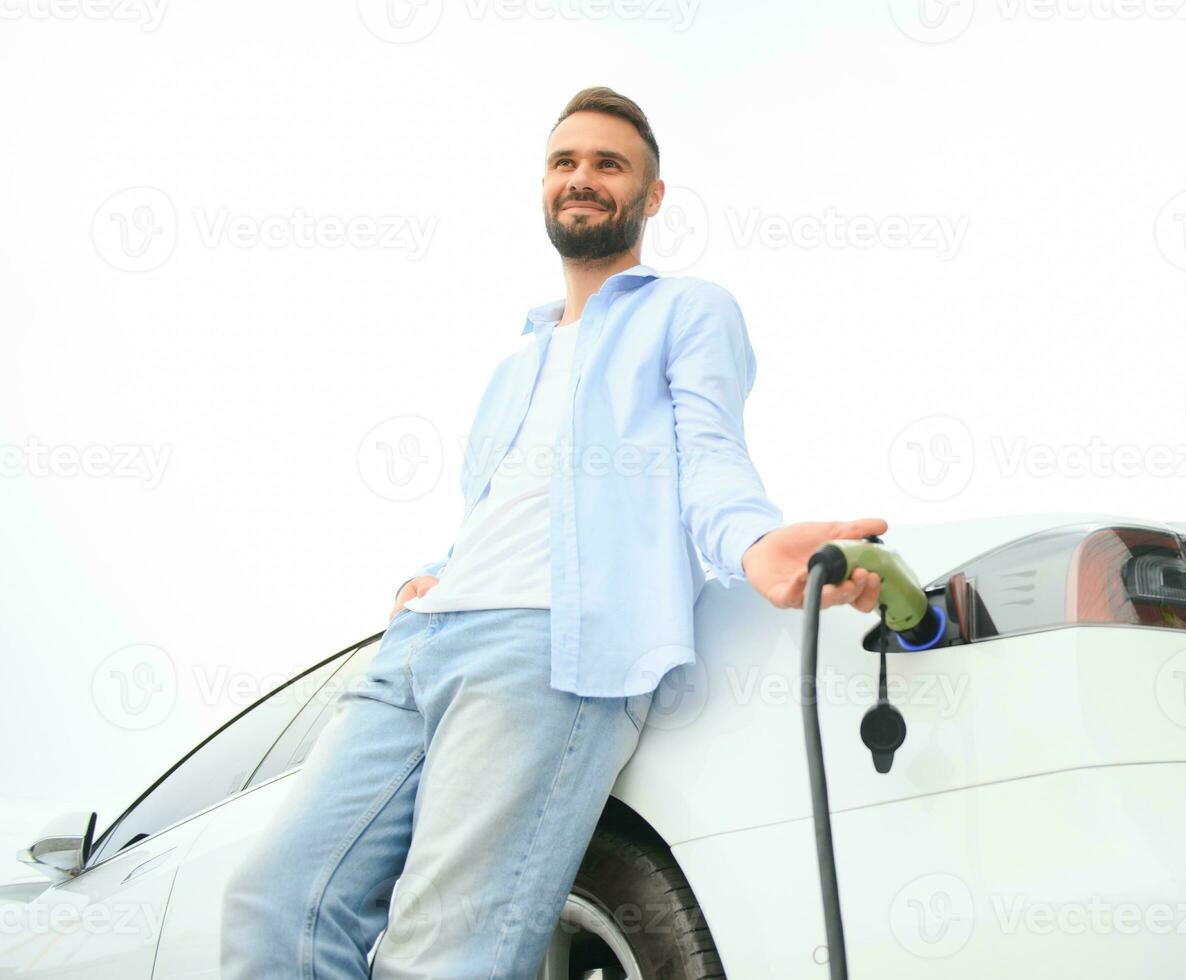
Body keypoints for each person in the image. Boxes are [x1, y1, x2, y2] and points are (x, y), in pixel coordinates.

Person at [220, 85, 884, 979]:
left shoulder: (685, 310)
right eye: (565, 162)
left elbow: (709, 459)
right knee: (274, 904)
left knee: (440, 950)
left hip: (545, 650)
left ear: (650, 197)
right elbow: (499, 507)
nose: (583, 178)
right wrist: (434, 573)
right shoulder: (517, 360)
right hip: (420, 647)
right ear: (543, 185)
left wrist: (752, 543)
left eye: (609, 164)